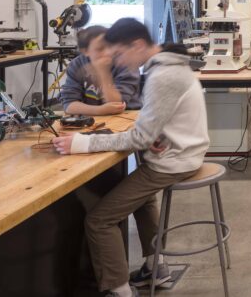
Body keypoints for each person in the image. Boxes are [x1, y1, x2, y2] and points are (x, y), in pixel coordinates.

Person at [52, 18, 209, 297]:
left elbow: (139, 138)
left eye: (119, 54)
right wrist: (157, 135)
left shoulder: (162, 76)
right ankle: (156, 268)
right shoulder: (169, 65)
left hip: (174, 162)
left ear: (137, 45)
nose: (119, 61)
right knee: (143, 199)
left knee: (99, 221)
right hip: (183, 152)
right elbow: (153, 126)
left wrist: (83, 143)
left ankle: (119, 290)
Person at [60, 26, 142, 115]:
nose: (108, 52)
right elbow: (69, 105)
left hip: (128, 116)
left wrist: (103, 72)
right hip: (93, 118)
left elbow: (117, 104)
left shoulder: (125, 63)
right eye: (100, 49)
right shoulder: (77, 65)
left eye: (110, 46)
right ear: (85, 51)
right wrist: (99, 110)